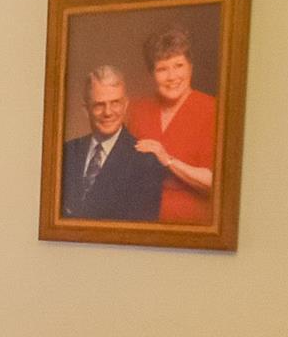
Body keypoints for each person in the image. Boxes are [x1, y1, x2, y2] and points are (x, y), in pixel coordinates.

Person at [127, 27, 219, 226]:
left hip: (192, 226)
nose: (172, 76)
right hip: (141, 224)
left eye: (178, 65)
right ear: (152, 74)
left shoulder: (212, 109)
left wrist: (167, 160)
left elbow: (216, 183)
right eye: (162, 68)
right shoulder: (138, 110)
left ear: (190, 67)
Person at [60, 63, 160, 222]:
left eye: (115, 103)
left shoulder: (145, 161)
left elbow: (139, 233)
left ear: (125, 105)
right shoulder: (66, 152)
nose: (108, 112)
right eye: (99, 105)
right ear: (86, 110)